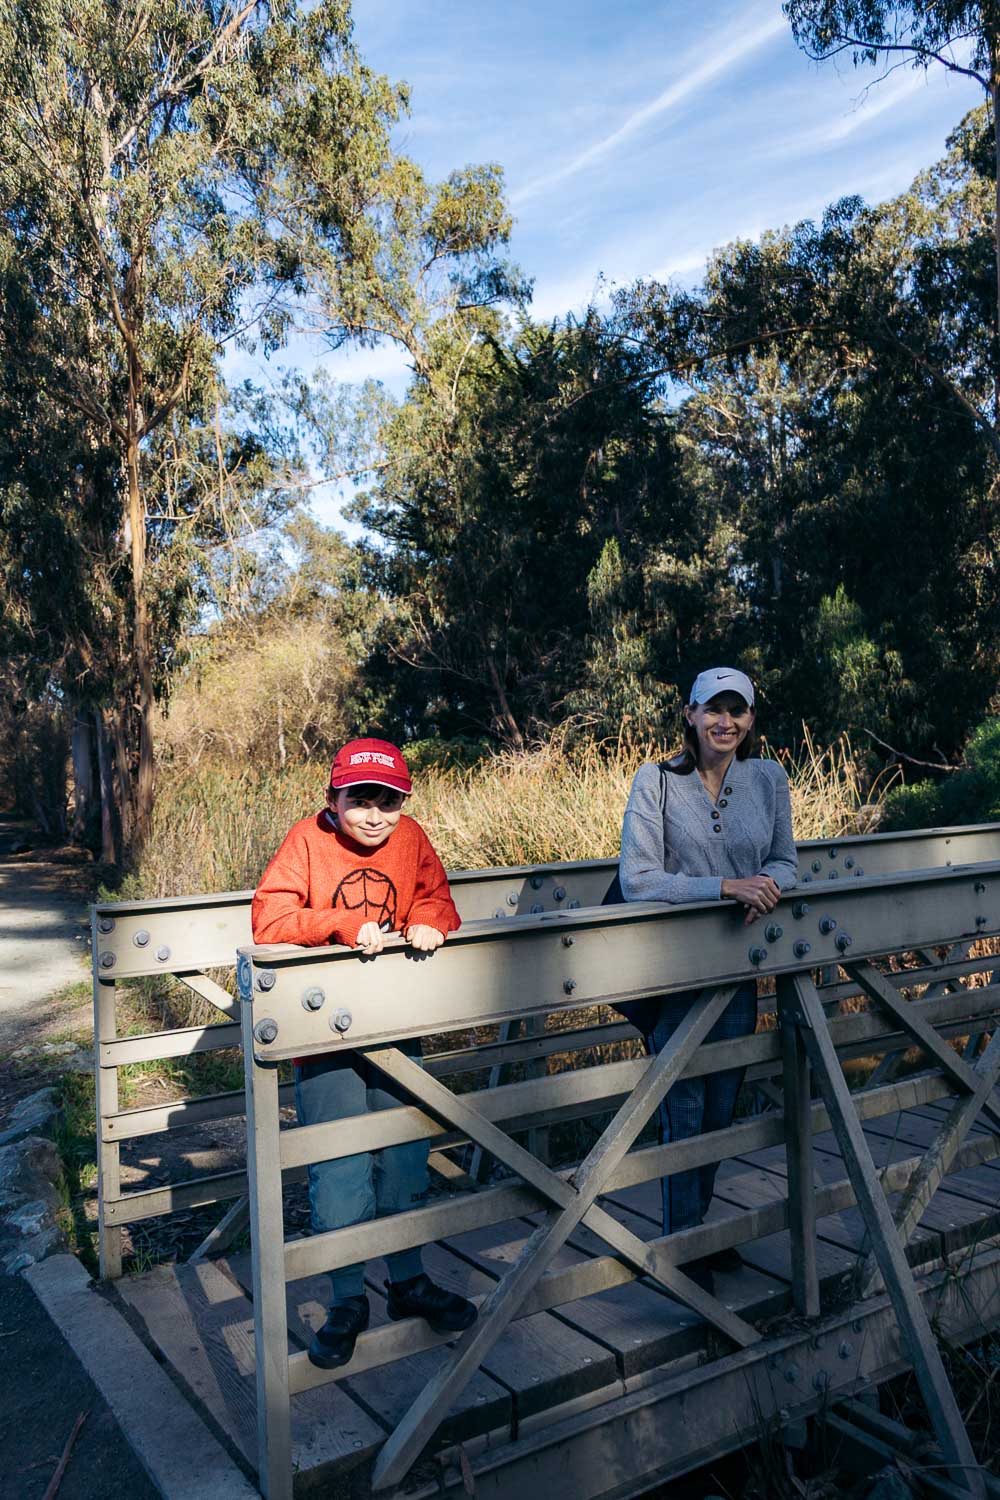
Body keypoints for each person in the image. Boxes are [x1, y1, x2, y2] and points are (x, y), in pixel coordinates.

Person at [252, 736, 477, 1369]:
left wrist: (433, 919)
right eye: (361, 801)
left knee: (405, 1152)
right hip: (323, 1038)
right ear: (333, 798)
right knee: (340, 1163)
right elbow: (269, 919)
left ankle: (407, 1282)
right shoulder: (307, 840)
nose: (375, 815)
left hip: (396, 1024)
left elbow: (438, 897)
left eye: (390, 801)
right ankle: (348, 1297)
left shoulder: (411, 841)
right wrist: (339, 924)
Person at [618, 668, 797, 1292]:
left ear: (750, 721)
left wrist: (769, 887)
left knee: (722, 1103)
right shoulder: (656, 781)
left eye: (738, 711)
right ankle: (683, 1245)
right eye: (713, 710)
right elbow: (639, 878)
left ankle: (698, 1228)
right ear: (690, 714)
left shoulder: (768, 779)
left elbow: (785, 860)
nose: (726, 722)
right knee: (683, 1106)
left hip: (737, 968)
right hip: (671, 971)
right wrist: (723, 886)